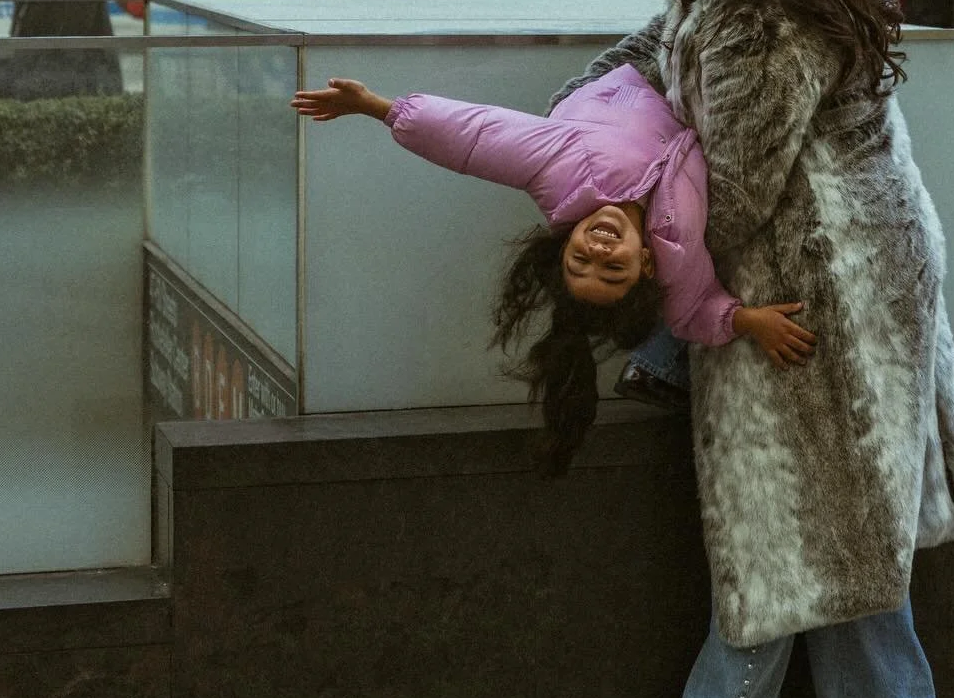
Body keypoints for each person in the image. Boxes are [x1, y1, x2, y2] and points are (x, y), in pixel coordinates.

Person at [545, 0, 954, 698]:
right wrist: (583, 114)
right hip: (856, 269)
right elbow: (658, 47)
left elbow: (738, 189)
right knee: (847, 504)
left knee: (779, 512)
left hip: (811, 284)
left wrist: (623, 211)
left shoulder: (767, 26)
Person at [289, 63, 815, 470]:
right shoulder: (675, 253)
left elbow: (473, 139)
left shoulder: (561, 171)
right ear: (647, 265)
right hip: (685, 113)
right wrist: (751, 321)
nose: (600, 251)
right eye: (612, 270)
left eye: (580, 258)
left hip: (624, 81)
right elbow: (693, 311)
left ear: (565, 243)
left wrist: (377, 108)